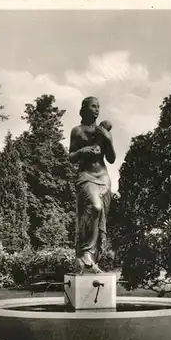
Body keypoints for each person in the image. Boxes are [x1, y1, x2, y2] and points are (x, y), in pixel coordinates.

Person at [69, 97, 116, 273]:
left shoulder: (103, 131)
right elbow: (71, 157)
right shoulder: (77, 131)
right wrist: (82, 151)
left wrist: (108, 140)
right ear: (84, 109)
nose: (96, 109)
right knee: (94, 208)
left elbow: (111, 159)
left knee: (100, 219)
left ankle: (92, 261)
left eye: (98, 106)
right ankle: (85, 253)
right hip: (86, 176)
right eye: (93, 106)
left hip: (103, 178)